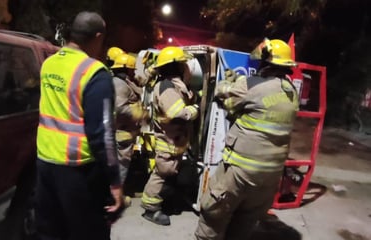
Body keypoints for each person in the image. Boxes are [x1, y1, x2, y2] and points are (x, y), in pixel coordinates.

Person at [195, 39, 299, 240]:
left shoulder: (251, 85)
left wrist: (230, 81)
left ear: (265, 63)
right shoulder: (291, 91)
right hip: (270, 176)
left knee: (213, 214)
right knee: (245, 222)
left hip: (240, 172)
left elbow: (223, 95)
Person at [35, 11, 123, 240]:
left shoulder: (49, 64)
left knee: (51, 232)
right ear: (97, 37)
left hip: (44, 164)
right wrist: (114, 181)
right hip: (78, 171)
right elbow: (102, 135)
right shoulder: (95, 73)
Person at [141, 46, 199, 226]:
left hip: (175, 142)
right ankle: (150, 208)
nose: (187, 67)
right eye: (184, 64)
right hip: (167, 143)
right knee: (161, 173)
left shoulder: (173, 85)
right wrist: (195, 109)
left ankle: (164, 202)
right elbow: (178, 113)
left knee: (170, 174)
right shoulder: (166, 87)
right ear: (176, 67)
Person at [111, 53, 148, 193]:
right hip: (122, 131)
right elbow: (120, 107)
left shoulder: (125, 81)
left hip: (124, 130)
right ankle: (116, 193)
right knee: (121, 164)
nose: (133, 72)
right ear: (126, 68)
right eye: (132, 69)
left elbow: (141, 84)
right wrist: (141, 113)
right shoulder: (119, 84)